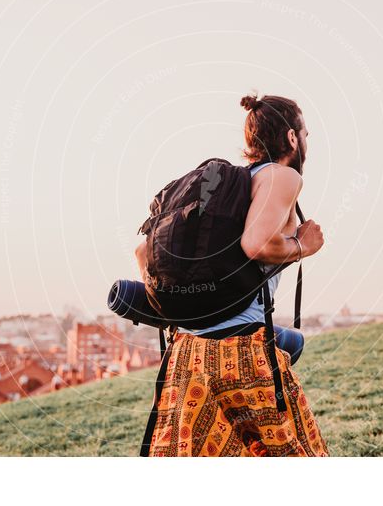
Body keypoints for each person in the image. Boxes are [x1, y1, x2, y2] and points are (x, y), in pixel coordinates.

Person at [134, 93, 330, 457]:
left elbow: (143, 252)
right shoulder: (281, 176)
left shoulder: (225, 189)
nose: (306, 142)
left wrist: (184, 307)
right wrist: (305, 246)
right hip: (240, 353)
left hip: (188, 355)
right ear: (291, 138)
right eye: (306, 134)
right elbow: (256, 245)